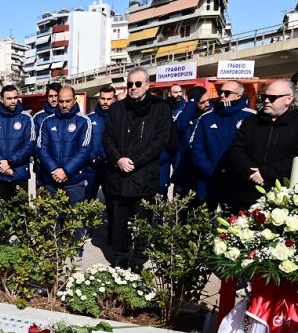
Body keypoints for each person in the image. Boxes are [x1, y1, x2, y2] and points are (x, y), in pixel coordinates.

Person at [103, 66, 174, 271]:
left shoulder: (160, 108)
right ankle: (120, 257)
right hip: (118, 175)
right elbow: (107, 137)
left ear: (147, 85)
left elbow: (160, 140)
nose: (133, 88)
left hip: (144, 175)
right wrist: (118, 160)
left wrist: (133, 161)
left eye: (137, 84)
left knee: (143, 222)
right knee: (118, 221)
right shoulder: (117, 108)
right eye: (129, 84)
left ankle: (139, 260)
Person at [226, 79, 298, 211]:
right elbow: (236, 149)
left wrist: (265, 173)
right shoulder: (251, 121)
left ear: (288, 99)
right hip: (247, 191)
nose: (266, 100)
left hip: (282, 196)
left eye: (272, 98)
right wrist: (251, 172)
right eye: (264, 96)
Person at [191, 81, 256, 207]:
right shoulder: (206, 117)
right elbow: (196, 148)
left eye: (227, 93)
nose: (222, 95)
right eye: (221, 92)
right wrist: (210, 171)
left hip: (238, 182)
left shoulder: (251, 117)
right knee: (203, 221)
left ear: (238, 96)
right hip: (208, 179)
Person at [36, 86, 92, 205]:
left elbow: (84, 151)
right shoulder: (47, 121)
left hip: (74, 181)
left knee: (74, 221)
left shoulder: (84, 121)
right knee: (51, 221)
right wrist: (54, 169)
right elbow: (41, 149)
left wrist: (66, 171)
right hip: (51, 180)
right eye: (61, 101)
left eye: (68, 101)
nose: (64, 105)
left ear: (75, 100)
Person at [0, 85, 34, 200]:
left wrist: (10, 162)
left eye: (15, 98)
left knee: (20, 214)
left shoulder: (26, 118)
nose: (13, 101)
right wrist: (1, 164)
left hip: (19, 174)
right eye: (9, 98)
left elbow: (29, 145)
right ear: (2, 100)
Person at [170, 86, 210, 196]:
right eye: (202, 102)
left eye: (208, 100)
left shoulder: (209, 115)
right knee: (180, 208)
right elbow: (180, 125)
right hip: (184, 169)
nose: (207, 104)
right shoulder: (184, 113)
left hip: (202, 170)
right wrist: (192, 103)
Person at [86, 85, 116, 200]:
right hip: (91, 167)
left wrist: (105, 157)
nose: (105, 102)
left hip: (110, 167)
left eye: (109, 99)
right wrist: (92, 157)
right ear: (99, 99)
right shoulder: (89, 119)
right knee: (87, 201)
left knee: (111, 203)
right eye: (103, 98)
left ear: (114, 100)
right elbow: (84, 142)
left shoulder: (118, 119)